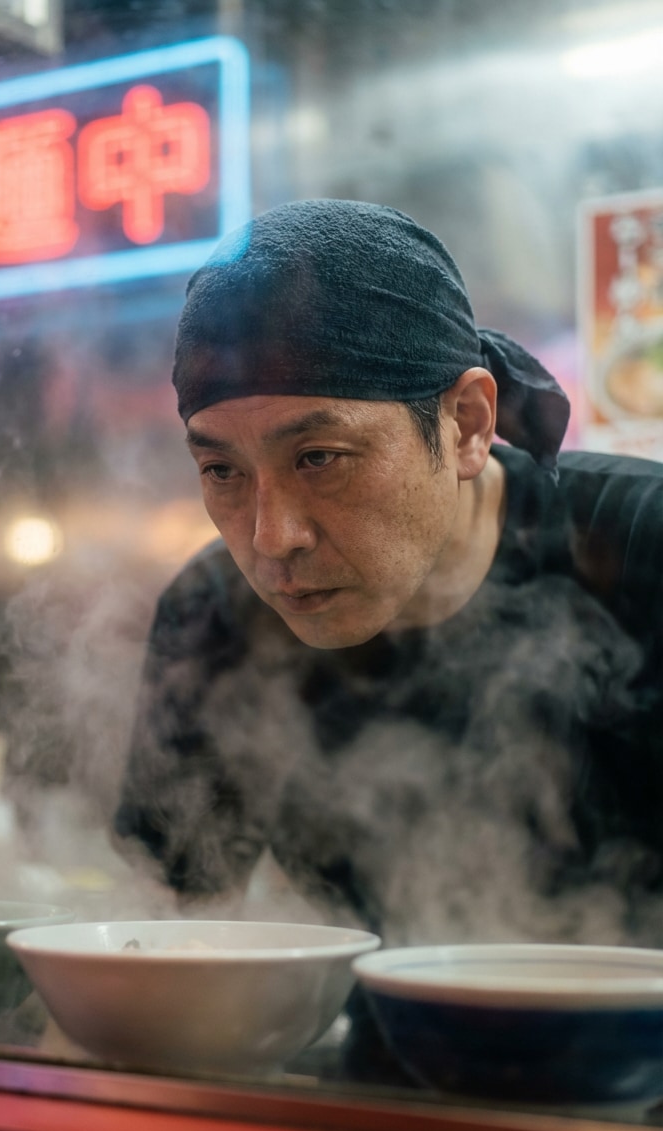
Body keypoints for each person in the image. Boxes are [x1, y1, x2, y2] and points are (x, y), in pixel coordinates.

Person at [114, 199, 663, 951]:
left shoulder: (641, 549)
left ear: (467, 424)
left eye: (319, 459)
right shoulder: (211, 617)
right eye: (221, 470)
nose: (272, 540)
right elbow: (165, 939)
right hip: (375, 1062)